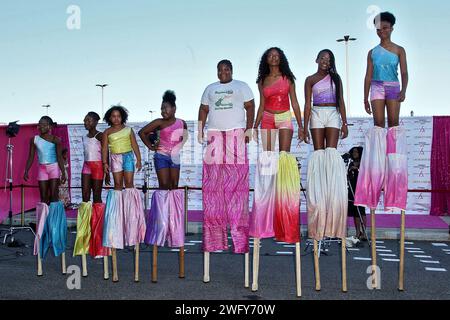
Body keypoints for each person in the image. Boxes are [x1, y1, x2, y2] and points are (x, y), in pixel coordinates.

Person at [198, 59, 255, 282]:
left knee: (237, 184)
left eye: (227, 69)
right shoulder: (210, 89)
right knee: (213, 186)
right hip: (213, 133)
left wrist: (250, 128)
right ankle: (214, 240)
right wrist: (200, 129)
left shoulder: (242, 86)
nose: (224, 72)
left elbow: (251, 106)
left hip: (236, 133)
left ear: (232, 70)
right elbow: (203, 110)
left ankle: (240, 239)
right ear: (217, 71)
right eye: (220, 69)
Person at [303, 49, 349, 292]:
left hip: (332, 112)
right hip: (316, 113)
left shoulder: (336, 79)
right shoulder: (310, 80)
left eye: (329, 59)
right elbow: (306, 103)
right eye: (322, 58)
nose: (325, 61)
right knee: (319, 153)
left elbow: (341, 100)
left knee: (331, 153)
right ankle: (319, 189)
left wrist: (345, 121)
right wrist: (303, 125)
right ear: (316, 60)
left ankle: (332, 189)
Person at [355, 11, 409, 212]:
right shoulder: (372, 52)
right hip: (376, 87)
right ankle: (377, 161)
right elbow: (367, 76)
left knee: (393, 125)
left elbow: (404, 72)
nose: (382, 31)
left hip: (393, 85)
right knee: (378, 125)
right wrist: (364, 98)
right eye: (379, 29)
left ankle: (393, 161)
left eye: (385, 28)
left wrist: (403, 89)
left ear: (392, 28)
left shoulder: (399, 50)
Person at [139, 90, 188, 280]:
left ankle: (173, 219)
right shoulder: (159, 123)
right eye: (161, 108)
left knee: (174, 188)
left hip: (174, 157)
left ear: (174, 108)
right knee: (165, 186)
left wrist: (178, 147)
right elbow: (142, 132)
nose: (163, 111)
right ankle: (163, 220)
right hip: (161, 156)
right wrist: (152, 146)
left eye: (166, 108)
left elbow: (185, 136)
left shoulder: (181, 122)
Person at [102, 105, 146, 282]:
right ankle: (119, 206)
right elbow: (105, 148)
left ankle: (129, 204)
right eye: (113, 116)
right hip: (115, 158)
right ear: (109, 118)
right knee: (118, 185)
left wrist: (139, 158)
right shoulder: (106, 133)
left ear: (123, 117)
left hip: (127, 156)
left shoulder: (128, 130)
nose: (116, 118)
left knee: (129, 183)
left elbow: (135, 144)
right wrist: (105, 164)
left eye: (118, 116)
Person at [23, 116, 67, 274]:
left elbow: (61, 159)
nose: (41, 127)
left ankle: (54, 224)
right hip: (42, 168)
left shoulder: (56, 139)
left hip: (54, 168)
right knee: (44, 200)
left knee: (54, 198)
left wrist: (63, 172)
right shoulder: (34, 139)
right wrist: (27, 170)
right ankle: (43, 224)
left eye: (44, 124)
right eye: (39, 124)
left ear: (49, 126)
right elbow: (31, 157)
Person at [73, 112, 110, 278]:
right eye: (85, 119)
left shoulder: (100, 135)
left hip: (98, 166)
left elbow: (105, 153)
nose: (85, 121)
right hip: (87, 166)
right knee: (85, 197)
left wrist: (107, 171)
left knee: (97, 198)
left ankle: (97, 232)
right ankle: (86, 230)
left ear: (96, 121)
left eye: (88, 120)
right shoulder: (84, 137)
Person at [347, 146, 367, 241]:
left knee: (361, 211)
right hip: (352, 189)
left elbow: (365, 175)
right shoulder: (350, 164)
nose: (354, 153)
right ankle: (357, 232)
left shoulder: (363, 163)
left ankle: (364, 232)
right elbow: (348, 176)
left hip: (361, 189)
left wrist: (357, 169)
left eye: (356, 152)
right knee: (355, 212)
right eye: (353, 152)